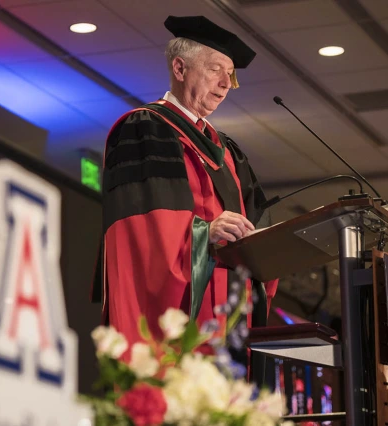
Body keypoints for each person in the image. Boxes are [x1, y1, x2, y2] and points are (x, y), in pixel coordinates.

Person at [92, 15, 278, 369]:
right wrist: (205, 233)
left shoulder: (230, 151)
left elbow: (259, 227)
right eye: (215, 70)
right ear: (179, 68)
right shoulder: (144, 129)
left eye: (231, 75)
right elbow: (140, 233)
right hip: (183, 316)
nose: (226, 84)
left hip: (232, 316)